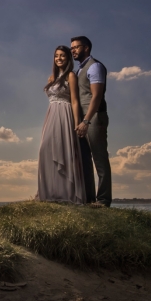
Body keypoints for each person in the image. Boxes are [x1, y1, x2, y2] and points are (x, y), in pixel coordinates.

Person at [36, 45, 86, 204]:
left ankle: (66, 193)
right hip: (51, 114)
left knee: (63, 149)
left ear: (68, 58)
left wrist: (77, 122)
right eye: (56, 56)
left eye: (63, 55)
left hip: (65, 113)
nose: (59, 58)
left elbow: (75, 100)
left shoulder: (70, 76)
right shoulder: (51, 78)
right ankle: (49, 192)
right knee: (46, 149)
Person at [70, 36, 111, 207]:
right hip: (83, 121)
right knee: (85, 161)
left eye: (76, 47)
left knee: (99, 159)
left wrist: (86, 121)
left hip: (94, 118)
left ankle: (103, 200)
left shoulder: (95, 67)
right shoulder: (79, 70)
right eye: (71, 47)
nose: (72, 50)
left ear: (86, 48)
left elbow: (96, 96)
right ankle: (89, 199)